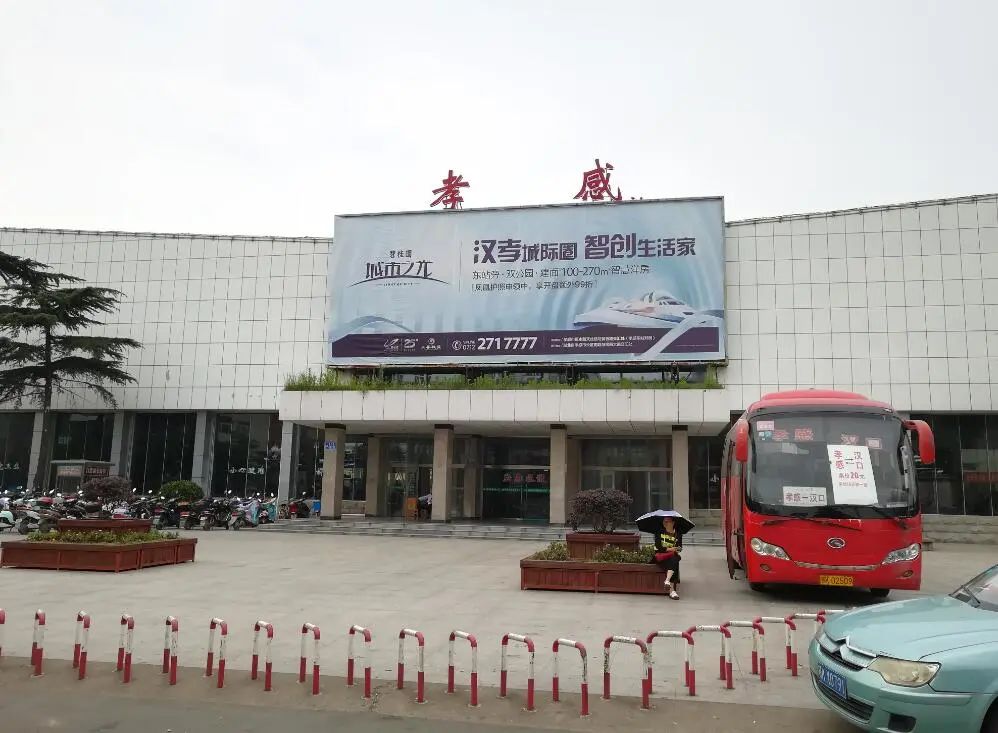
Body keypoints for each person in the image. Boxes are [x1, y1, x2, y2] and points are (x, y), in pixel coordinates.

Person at [655, 516, 683, 600]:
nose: (665, 523)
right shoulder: (659, 532)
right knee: (674, 561)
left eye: (668, 522)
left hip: (672, 556)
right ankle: (672, 590)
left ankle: (668, 582)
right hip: (661, 556)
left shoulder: (678, 534)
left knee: (674, 559)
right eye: (664, 522)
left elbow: (680, 547)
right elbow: (658, 547)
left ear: (673, 523)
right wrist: (671, 549)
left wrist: (678, 549)